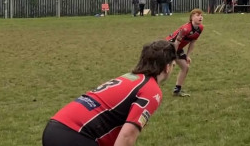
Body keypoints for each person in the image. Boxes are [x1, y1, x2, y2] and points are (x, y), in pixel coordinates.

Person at [42, 40, 177, 146]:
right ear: (167, 67)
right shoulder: (152, 90)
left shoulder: (130, 77)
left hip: (55, 127)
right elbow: (127, 136)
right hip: (76, 136)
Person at [165, 9, 205, 97]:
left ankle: (177, 90)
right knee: (165, 71)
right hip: (168, 47)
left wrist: (188, 56)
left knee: (185, 67)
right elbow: (176, 42)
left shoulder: (200, 28)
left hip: (178, 48)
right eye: (197, 15)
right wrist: (173, 58)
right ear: (191, 18)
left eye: (201, 15)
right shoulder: (185, 29)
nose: (200, 17)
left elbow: (193, 42)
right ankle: (150, 88)